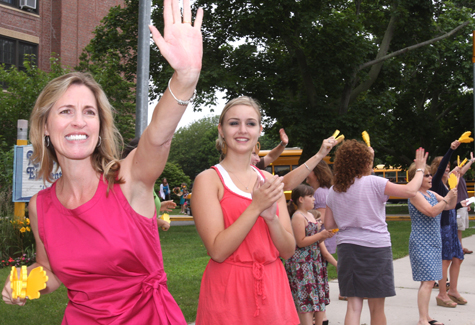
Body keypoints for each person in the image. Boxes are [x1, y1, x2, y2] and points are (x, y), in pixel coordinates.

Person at [2, 1, 203, 323]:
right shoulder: (41, 205)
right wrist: (23, 284)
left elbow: (157, 138)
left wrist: (185, 79)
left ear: (100, 127)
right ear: (45, 128)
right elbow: (51, 272)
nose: (79, 122)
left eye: (89, 112)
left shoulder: (130, 178)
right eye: (66, 111)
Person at [191, 96, 299, 324]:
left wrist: (271, 219)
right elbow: (218, 251)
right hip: (228, 291)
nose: (242, 130)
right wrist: (256, 207)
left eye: (250, 123)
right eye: (234, 123)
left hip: (273, 288)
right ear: (221, 129)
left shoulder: (270, 181)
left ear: (259, 130)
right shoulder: (209, 180)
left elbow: (288, 250)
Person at [324, 140, 428, 325]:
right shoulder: (374, 182)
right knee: (376, 307)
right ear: (365, 162)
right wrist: (419, 169)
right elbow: (411, 190)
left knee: (353, 306)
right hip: (375, 248)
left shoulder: (334, 190)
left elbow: (329, 224)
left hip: (347, 248)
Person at [407, 163, 457, 325]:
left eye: (430, 175)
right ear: (418, 177)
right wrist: (448, 198)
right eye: (427, 175)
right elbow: (432, 211)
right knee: (428, 282)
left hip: (434, 242)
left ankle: (426, 316)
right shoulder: (414, 195)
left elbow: (449, 205)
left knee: (427, 281)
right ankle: (422, 319)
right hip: (421, 242)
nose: (430, 178)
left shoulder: (431, 193)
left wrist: (453, 189)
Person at [285, 185, 337, 325]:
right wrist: (320, 234)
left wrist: (324, 236)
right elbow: (301, 242)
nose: (314, 199)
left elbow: (313, 240)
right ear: (301, 199)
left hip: (315, 263)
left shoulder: (310, 215)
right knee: (306, 302)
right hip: (302, 265)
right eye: (310, 196)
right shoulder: (297, 217)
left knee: (319, 300)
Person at [430, 141, 467, 307]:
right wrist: (450, 150)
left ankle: (453, 290)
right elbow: (440, 168)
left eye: (448, 166)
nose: (447, 168)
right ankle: (442, 294)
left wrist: (461, 204)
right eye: (444, 166)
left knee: (457, 258)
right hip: (443, 226)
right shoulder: (437, 182)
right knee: (445, 260)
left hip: (452, 225)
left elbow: (449, 206)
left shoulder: (447, 184)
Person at [122, 137, 176, 231]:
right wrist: (160, 222)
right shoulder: (132, 181)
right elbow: (132, 218)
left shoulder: (144, 180)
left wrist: (158, 205)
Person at [453, 153, 475, 255]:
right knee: (458, 227)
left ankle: (460, 247)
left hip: (463, 205)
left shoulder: (461, 178)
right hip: (457, 206)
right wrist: (471, 161)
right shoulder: (454, 176)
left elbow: (464, 192)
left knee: (460, 228)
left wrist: (468, 204)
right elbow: (462, 171)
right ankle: (459, 248)